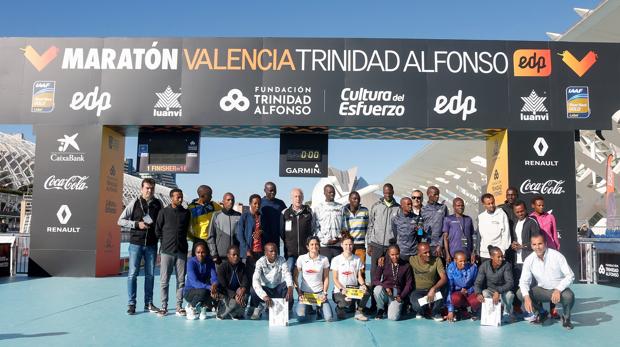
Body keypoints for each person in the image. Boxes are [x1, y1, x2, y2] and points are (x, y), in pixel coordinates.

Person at [117, 178, 163, 315]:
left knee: (150, 275)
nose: (150, 190)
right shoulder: (134, 202)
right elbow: (120, 221)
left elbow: (161, 223)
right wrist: (137, 225)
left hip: (152, 245)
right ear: (141, 188)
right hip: (136, 244)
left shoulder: (158, 204)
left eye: (152, 188)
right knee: (132, 274)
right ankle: (131, 304)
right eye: (147, 188)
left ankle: (148, 303)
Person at [518, 234, 575, 330]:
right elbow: (523, 281)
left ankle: (566, 318)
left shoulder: (557, 256)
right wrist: (526, 297)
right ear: (531, 246)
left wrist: (558, 289)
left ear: (545, 244)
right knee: (521, 293)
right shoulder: (529, 260)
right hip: (542, 290)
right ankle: (542, 313)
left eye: (540, 244)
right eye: (534, 244)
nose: (537, 247)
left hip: (559, 291)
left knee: (569, 296)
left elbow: (570, 275)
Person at [156, 188, 191, 317]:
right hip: (166, 251)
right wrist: (164, 242)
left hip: (181, 251)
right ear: (171, 198)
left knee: (181, 281)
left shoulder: (186, 213)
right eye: (178, 197)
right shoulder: (163, 212)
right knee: (164, 281)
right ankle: (163, 306)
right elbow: (157, 230)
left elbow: (185, 229)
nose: (180, 199)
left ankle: (179, 306)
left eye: (181, 197)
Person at [367, 183, 400, 312]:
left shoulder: (398, 208)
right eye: (385, 193)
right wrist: (368, 244)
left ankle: (388, 303)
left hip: (390, 246)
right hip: (376, 244)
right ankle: (374, 304)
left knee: (390, 274)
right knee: (374, 274)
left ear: (392, 192)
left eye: (390, 193)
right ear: (383, 192)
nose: (388, 195)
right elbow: (370, 225)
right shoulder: (376, 206)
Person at [528, 196, 561, 319]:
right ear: (533, 205)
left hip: (551, 251)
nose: (541, 207)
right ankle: (541, 310)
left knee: (553, 280)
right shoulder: (530, 218)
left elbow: (554, 235)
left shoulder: (550, 217)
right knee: (538, 282)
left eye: (542, 205)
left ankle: (553, 310)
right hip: (537, 253)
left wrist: (557, 249)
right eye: (539, 205)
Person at [508, 200, 540, 310]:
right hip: (517, 261)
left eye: (522, 211)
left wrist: (522, 246)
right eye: (517, 212)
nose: (520, 213)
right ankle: (517, 309)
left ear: (525, 210)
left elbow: (537, 242)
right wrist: (513, 245)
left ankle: (537, 311)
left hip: (529, 260)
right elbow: (514, 239)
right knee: (517, 285)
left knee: (531, 286)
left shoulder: (532, 222)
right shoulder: (514, 223)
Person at [248, 243, 294, 320]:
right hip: (266, 289)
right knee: (253, 290)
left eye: (276, 251)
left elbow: (287, 274)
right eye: (271, 251)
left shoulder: (281, 260)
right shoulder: (260, 262)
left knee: (287, 287)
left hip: (277, 289)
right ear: (265, 253)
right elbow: (255, 280)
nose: (274, 253)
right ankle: (259, 307)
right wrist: (264, 296)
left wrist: (290, 288)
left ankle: (286, 308)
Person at [331, 234, 370, 321]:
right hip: (340, 291)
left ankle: (359, 312)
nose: (348, 247)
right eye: (346, 244)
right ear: (341, 245)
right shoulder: (336, 260)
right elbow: (335, 279)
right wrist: (342, 289)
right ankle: (339, 308)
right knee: (345, 304)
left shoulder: (357, 259)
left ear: (353, 245)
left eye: (350, 244)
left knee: (367, 291)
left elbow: (359, 276)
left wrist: (363, 285)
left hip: (353, 290)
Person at [295, 236, 334, 322]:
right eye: (312, 244)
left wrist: (324, 293)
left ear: (319, 246)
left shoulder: (324, 259)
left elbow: (326, 278)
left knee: (329, 318)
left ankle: (319, 308)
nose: (314, 246)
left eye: (316, 244)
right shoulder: (301, 258)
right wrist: (299, 293)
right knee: (301, 317)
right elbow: (295, 277)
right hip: (305, 294)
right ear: (307, 247)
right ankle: (308, 307)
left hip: (319, 293)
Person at [474, 245, 515, 322]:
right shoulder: (484, 266)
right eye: (498, 257)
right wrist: (478, 293)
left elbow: (510, 283)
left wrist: (498, 291)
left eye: (502, 256)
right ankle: (491, 314)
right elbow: (477, 283)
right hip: (491, 291)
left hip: (503, 291)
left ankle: (507, 312)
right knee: (484, 293)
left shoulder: (506, 265)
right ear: (492, 257)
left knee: (510, 295)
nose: (501, 259)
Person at [372, 244, 413, 321]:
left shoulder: (406, 265)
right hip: (386, 291)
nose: (395, 257)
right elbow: (375, 280)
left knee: (393, 318)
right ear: (388, 254)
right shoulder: (383, 263)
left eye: (397, 254)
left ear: (400, 253)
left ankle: (396, 305)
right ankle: (380, 309)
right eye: (392, 255)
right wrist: (385, 286)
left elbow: (409, 284)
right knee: (377, 289)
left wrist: (401, 296)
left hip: (397, 293)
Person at [409, 242, 447, 321]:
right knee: (416, 305)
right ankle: (423, 310)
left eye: (429, 251)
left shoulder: (437, 260)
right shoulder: (412, 260)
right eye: (425, 253)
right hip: (418, 291)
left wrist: (433, 289)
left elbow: (444, 278)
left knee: (442, 290)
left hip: (432, 290)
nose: (428, 254)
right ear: (419, 253)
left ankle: (435, 312)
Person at [281, 188, 314, 274]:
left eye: (300, 196)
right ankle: (289, 288)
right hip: (290, 253)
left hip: (306, 252)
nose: (298, 199)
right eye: (295, 196)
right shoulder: (285, 213)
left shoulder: (309, 212)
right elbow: (281, 232)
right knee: (288, 275)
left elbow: (313, 229)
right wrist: (289, 242)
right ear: (291, 198)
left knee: (309, 275)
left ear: (303, 198)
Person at [183, 242, 218, 320]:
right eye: (198, 252)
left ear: (206, 252)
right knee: (204, 292)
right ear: (195, 253)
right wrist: (210, 287)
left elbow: (214, 277)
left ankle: (203, 307)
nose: (200, 254)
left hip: (204, 288)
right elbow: (195, 282)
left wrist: (214, 285)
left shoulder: (210, 261)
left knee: (218, 289)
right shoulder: (191, 263)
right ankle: (190, 306)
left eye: (203, 252)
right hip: (189, 292)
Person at [216, 245, 250, 320]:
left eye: (238, 255)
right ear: (228, 255)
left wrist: (243, 289)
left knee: (245, 297)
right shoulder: (222, 267)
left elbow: (245, 280)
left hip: (236, 292)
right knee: (234, 303)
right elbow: (223, 286)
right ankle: (220, 311)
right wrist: (235, 296)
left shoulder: (242, 266)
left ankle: (235, 313)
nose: (236, 257)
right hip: (225, 293)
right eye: (233, 255)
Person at [207, 192, 241, 265]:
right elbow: (210, 236)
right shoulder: (216, 215)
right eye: (228, 200)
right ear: (223, 201)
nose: (230, 202)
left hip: (235, 257)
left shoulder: (239, 216)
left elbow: (243, 236)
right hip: (220, 257)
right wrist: (214, 254)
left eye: (232, 200)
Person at [312, 184, 343, 261]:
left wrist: (339, 238)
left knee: (339, 271)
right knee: (324, 271)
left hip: (338, 246)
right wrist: (324, 240)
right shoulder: (318, 208)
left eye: (333, 192)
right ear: (324, 193)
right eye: (329, 192)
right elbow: (315, 227)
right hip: (324, 247)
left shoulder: (341, 207)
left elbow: (344, 225)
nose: (332, 194)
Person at [446, 251, 479, 322]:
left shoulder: (473, 268)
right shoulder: (451, 269)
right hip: (458, 292)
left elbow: (477, 284)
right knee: (455, 298)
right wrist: (450, 310)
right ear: (455, 260)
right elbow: (449, 288)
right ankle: (459, 310)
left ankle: (474, 311)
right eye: (460, 261)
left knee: (476, 300)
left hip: (470, 292)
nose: (463, 263)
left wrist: (469, 290)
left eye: (465, 261)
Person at [477, 193, 511, 263]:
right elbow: (480, 236)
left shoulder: (502, 214)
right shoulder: (481, 217)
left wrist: (502, 251)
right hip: (484, 254)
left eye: (492, 202)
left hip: (498, 253)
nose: (491, 205)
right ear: (483, 204)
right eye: (488, 204)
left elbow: (506, 234)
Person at [237, 194, 264, 281]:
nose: (257, 206)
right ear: (250, 204)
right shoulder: (245, 216)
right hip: (248, 253)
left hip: (260, 253)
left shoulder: (261, 216)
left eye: (259, 203)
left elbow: (266, 232)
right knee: (247, 279)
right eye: (255, 203)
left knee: (259, 279)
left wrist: (261, 231)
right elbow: (239, 235)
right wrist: (247, 250)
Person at [443, 197, 476, 265]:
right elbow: (445, 238)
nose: (461, 207)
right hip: (453, 255)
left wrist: (473, 252)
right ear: (454, 206)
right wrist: (447, 253)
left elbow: (472, 237)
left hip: (467, 255)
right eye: (458, 205)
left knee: (466, 274)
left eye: (462, 205)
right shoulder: (448, 219)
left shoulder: (468, 219)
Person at [341, 191, 369, 268]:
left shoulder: (365, 211)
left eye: (358, 199)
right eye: (354, 199)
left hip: (360, 245)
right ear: (349, 199)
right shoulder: (344, 211)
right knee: (348, 269)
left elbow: (368, 227)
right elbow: (342, 228)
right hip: (348, 246)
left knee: (361, 269)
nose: (357, 200)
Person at [421, 186, 449, 257]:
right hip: (427, 245)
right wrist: (420, 231)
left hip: (439, 246)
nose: (437, 196)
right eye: (435, 194)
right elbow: (420, 229)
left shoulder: (443, 208)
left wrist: (440, 244)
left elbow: (446, 228)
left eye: (438, 194)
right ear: (429, 194)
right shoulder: (423, 210)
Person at [261, 182, 287, 248]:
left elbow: (287, 216)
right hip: (262, 239)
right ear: (265, 190)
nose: (273, 192)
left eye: (274, 190)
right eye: (271, 190)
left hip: (276, 238)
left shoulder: (280, 203)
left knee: (275, 257)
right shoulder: (260, 203)